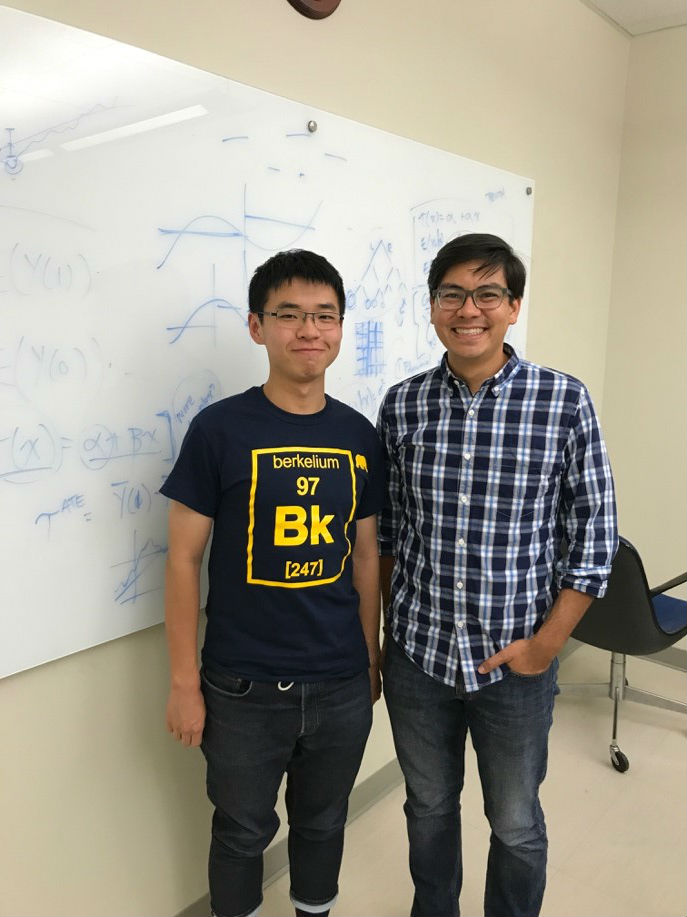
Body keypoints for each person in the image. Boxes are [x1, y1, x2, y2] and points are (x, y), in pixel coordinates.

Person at [377, 233, 617, 917]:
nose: (468, 309)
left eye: (487, 294)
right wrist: (390, 633)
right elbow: (387, 534)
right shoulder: (402, 404)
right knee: (427, 806)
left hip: (515, 661)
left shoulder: (562, 401)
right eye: (451, 294)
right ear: (432, 307)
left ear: (513, 307)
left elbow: (593, 536)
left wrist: (545, 646)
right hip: (419, 657)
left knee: (514, 822)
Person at [161, 249, 384, 917]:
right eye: (289, 314)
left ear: (339, 328)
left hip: (339, 680)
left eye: (324, 315)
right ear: (258, 326)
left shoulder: (358, 434)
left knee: (323, 823)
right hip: (242, 687)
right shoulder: (218, 429)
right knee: (240, 831)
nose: (308, 329)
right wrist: (183, 683)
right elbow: (182, 560)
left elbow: (365, 556)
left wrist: (370, 657)